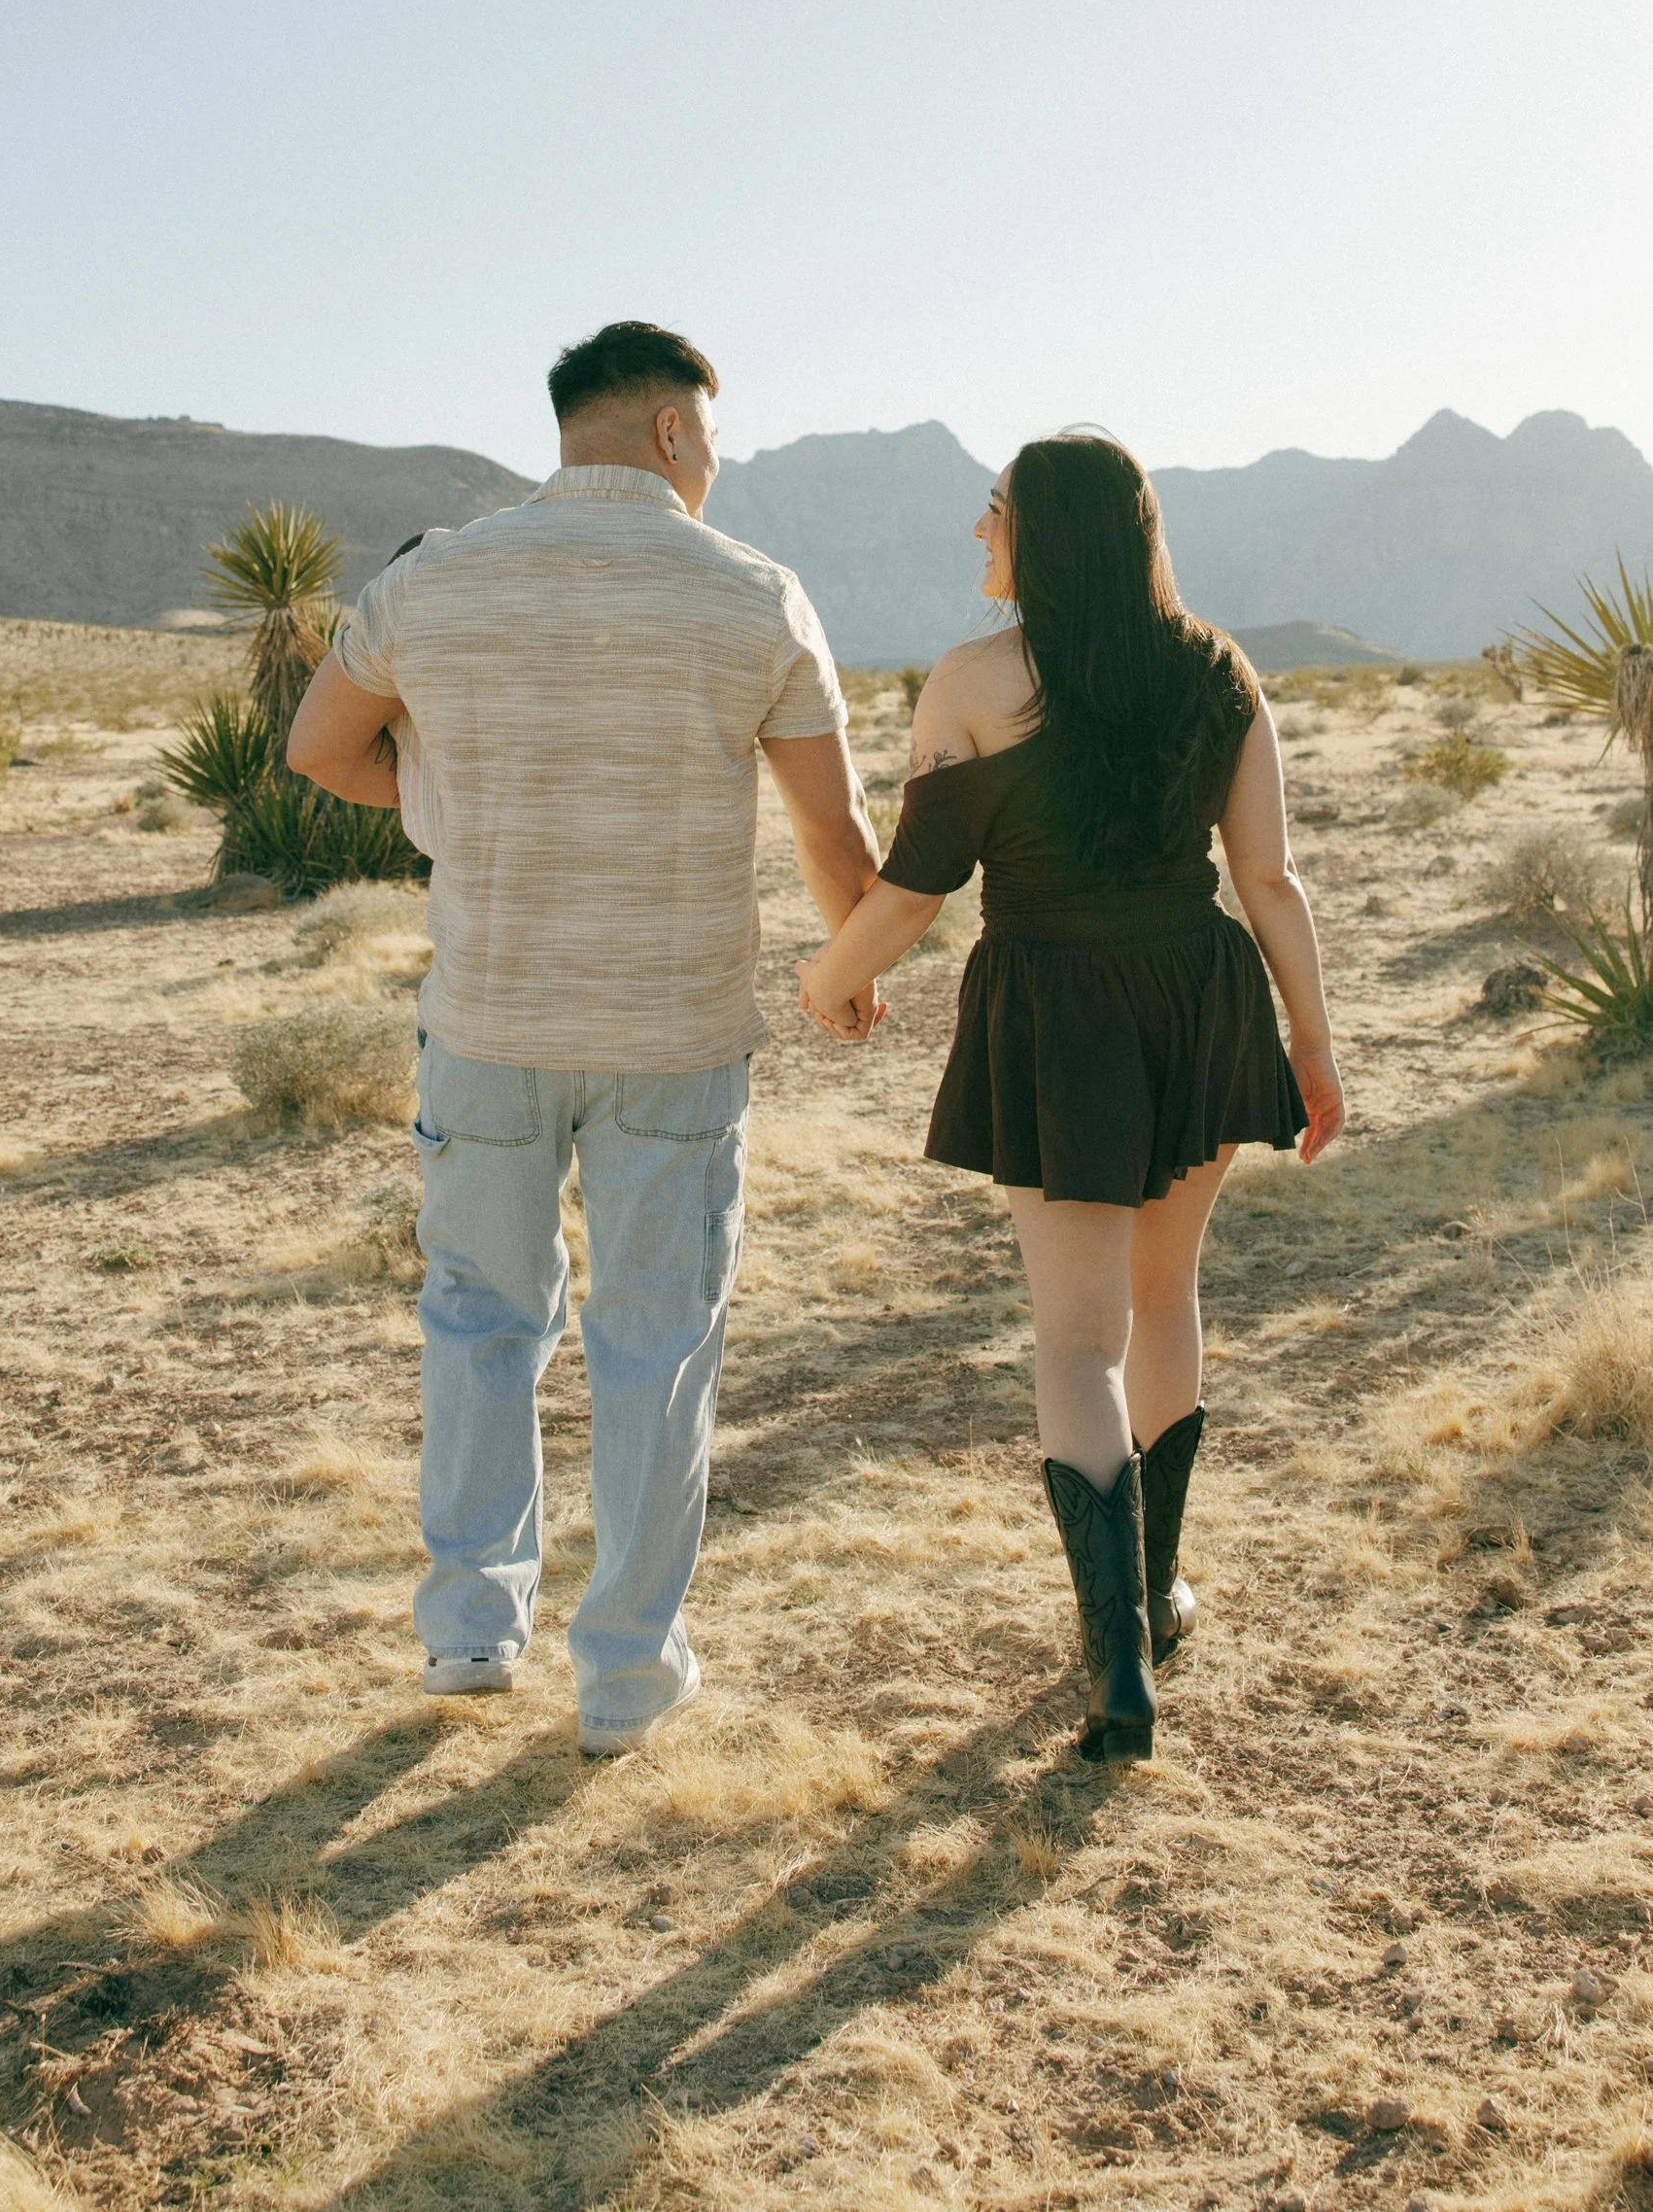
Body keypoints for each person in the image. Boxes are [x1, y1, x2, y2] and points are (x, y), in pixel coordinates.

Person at [287, 323, 879, 1754]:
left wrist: (443, 800)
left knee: (478, 1318)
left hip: (489, 1019)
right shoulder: (752, 593)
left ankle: (468, 1632)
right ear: (672, 430)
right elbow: (830, 828)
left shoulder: (431, 582)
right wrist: (851, 963)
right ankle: (623, 1676)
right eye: (712, 434)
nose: (717, 460)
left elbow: (316, 748)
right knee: (656, 1344)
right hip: (672, 1031)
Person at [797, 432, 1344, 1764]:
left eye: (994, 512)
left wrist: (828, 982)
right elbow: (1268, 879)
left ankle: (1118, 1673)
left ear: (1042, 532)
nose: (978, 533)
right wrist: (1312, 1046)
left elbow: (916, 889)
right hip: (1198, 996)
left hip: (1060, 1013)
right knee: (1164, 1298)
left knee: (1075, 1338)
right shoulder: (1219, 669)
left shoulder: (973, 680)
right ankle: (1153, 1602)